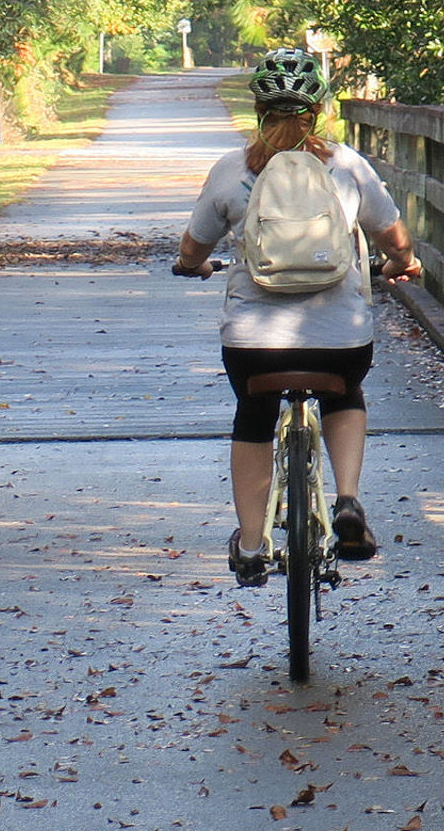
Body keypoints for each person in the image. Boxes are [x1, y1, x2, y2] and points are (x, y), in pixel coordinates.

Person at [172, 48, 419, 585]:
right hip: (341, 337)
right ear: (318, 111)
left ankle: (253, 543)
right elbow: (393, 237)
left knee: (253, 415)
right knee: (346, 392)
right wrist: (404, 263)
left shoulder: (231, 171)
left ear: (258, 109)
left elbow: (193, 248)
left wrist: (192, 266)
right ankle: (348, 502)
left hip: (253, 340)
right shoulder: (348, 167)